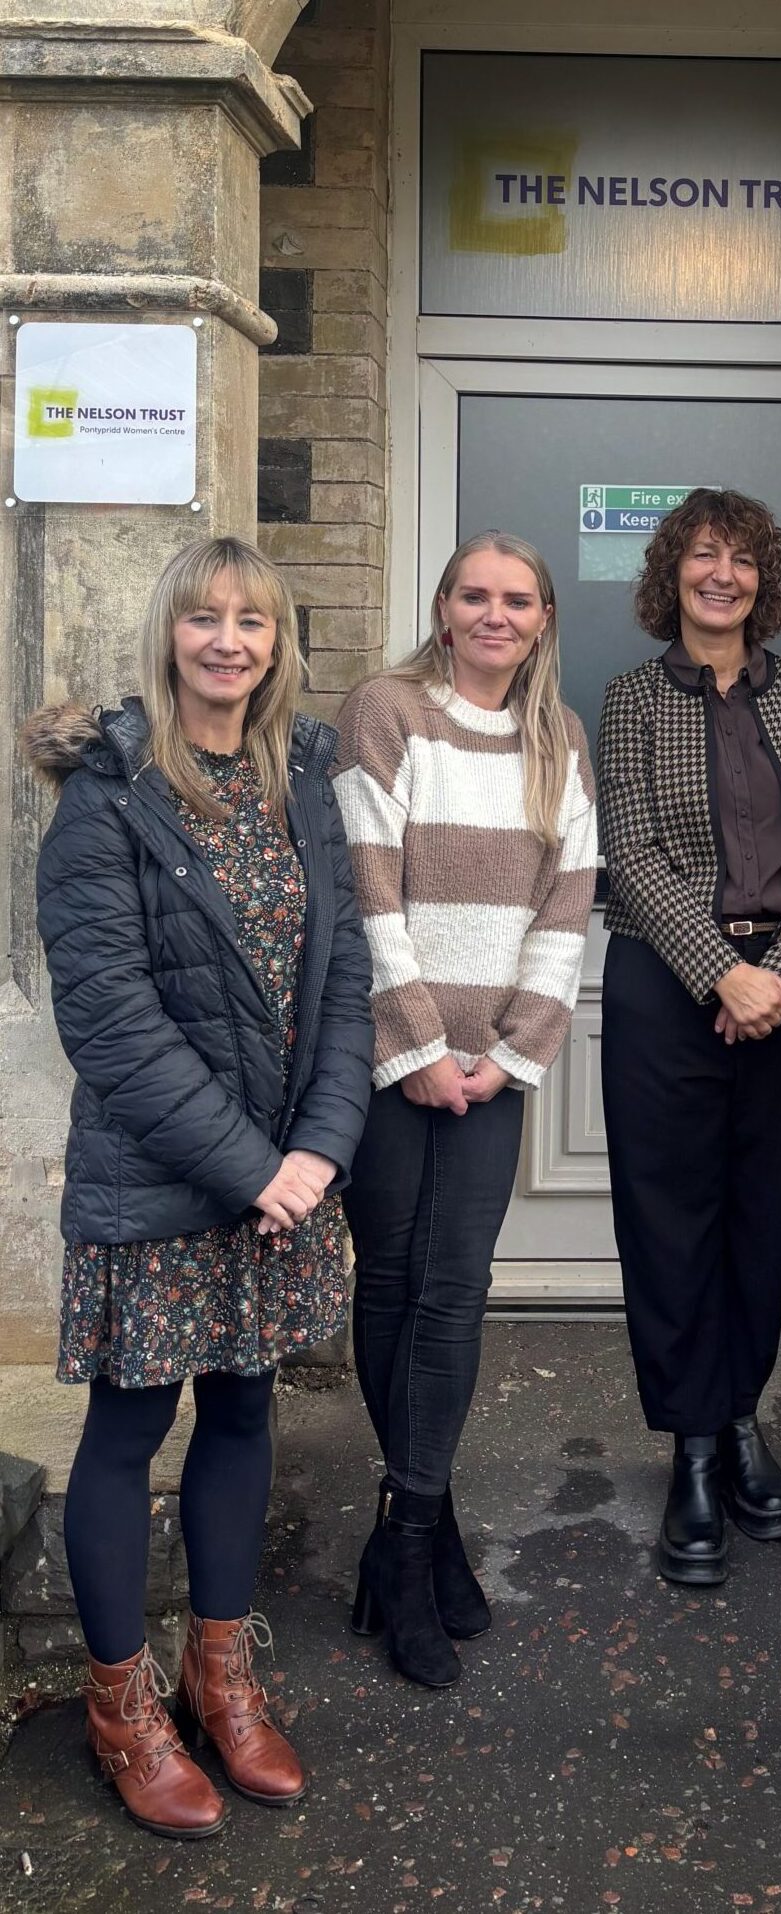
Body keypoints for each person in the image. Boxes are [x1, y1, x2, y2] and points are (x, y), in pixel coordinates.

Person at [23, 536, 374, 1839]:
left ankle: (219, 1680)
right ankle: (124, 1711)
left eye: (254, 621)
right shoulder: (107, 801)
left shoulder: (306, 781)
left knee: (240, 1415)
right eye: (205, 619)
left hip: (284, 1175)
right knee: (127, 1434)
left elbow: (345, 982)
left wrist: (323, 1144)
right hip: (169, 1179)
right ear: (170, 634)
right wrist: (256, 1170)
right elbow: (109, 1020)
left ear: (279, 641)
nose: (229, 640)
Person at [334, 532, 596, 1687]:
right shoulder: (387, 711)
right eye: (474, 597)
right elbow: (366, 885)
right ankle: (416, 1541)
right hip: (397, 1057)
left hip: (494, 1064)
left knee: (456, 1290)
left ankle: (405, 1537)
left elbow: (566, 904)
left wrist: (513, 1048)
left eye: (517, 600)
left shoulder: (557, 738)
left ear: (541, 619)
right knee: (392, 1283)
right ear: (442, 608)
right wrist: (417, 1043)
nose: (496, 615)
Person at [597, 487, 781, 1587]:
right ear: (672, 573)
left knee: (757, 1215)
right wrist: (720, 972)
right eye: (702, 555)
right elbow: (630, 849)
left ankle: (743, 1420)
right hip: (666, 992)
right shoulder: (627, 699)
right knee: (670, 1221)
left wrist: (779, 974)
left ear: (763, 578)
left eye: (741, 557)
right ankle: (691, 1447)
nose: (722, 574)